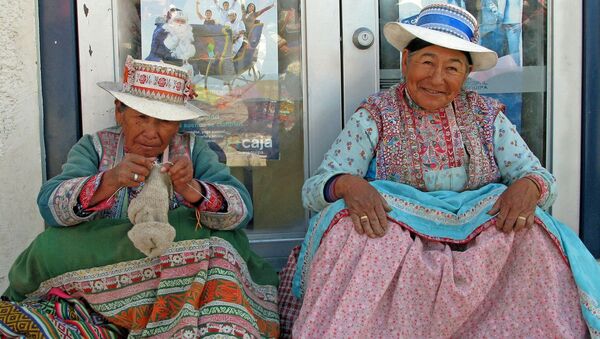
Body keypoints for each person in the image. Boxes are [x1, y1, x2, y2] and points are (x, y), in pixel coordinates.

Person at [289, 4, 599, 337]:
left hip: (476, 239)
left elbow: (539, 176)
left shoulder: (485, 115)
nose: (437, 79)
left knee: (531, 230)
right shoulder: (376, 114)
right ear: (406, 60)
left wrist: (529, 186)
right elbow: (315, 189)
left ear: (466, 75)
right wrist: (348, 185)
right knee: (352, 229)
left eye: (452, 68)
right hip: (398, 236)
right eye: (427, 62)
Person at [1, 57, 279, 338]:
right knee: (50, 244)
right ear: (119, 113)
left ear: (178, 125)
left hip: (174, 270)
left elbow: (241, 209)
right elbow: (50, 205)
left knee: (221, 240)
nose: (151, 132)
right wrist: (109, 180)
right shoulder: (95, 148)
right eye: (141, 117)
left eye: (164, 122)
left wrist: (190, 188)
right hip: (101, 268)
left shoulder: (193, 150)